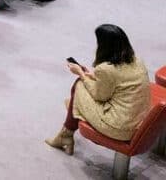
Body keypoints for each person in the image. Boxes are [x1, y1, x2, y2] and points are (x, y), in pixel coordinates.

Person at [45, 25, 151, 155]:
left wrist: (81, 74)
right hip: (138, 122)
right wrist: (91, 75)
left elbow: (99, 95)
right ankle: (71, 119)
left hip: (118, 127)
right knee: (77, 96)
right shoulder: (137, 60)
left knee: (79, 85)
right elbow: (119, 81)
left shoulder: (106, 69)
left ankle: (66, 133)